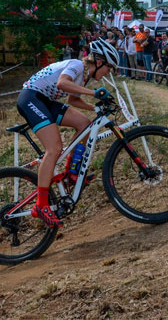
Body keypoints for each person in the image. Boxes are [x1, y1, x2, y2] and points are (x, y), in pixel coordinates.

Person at [16, 38, 117, 227]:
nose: (106, 74)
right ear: (99, 61)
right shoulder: (77, 65)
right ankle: (41, 204)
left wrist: (95, 108)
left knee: (85, 123)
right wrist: (94, 94)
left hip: (44, 101)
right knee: (54, 148)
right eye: (108, 69)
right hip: (31, 97)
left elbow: (73, 100)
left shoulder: (83, 77)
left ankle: (72, 173)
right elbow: (62, 83)